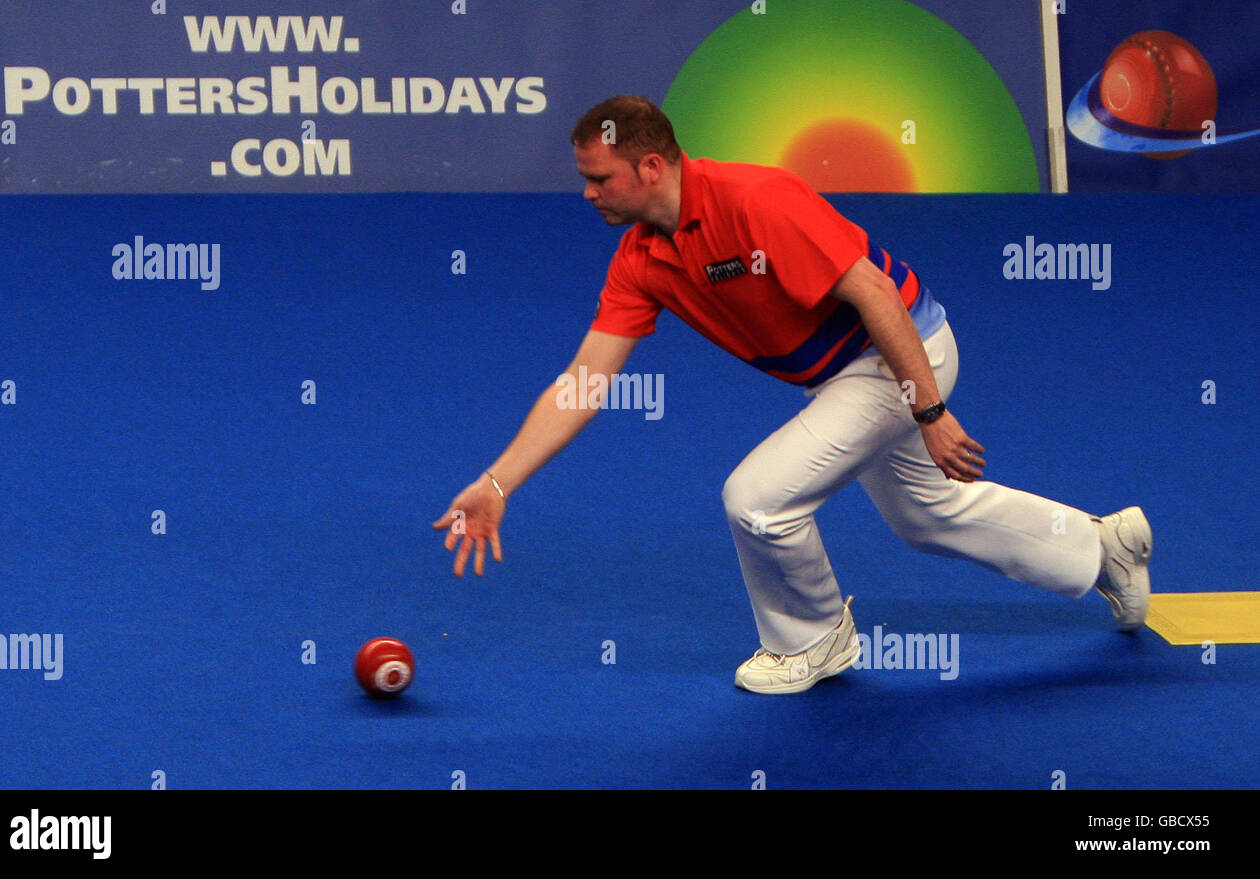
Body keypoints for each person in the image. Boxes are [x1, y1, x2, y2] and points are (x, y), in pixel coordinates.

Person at [433, 95, 1153, 694]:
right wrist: (500, 480)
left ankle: (814, 637)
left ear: (650, 166)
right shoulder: (641, 258)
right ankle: (1100, 549)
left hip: (896, 352)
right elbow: (584, 381)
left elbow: (872, 290)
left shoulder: (756, 201)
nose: (586, 192)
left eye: (599, 178)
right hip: (847, 374)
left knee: (758, 498)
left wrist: (928, 409)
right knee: (928, 515)